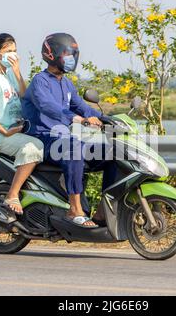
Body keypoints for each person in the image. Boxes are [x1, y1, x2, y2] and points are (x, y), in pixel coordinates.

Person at [22, 33, 114, 228]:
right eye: (67, 55)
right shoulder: (41, 81)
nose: (71, 60)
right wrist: (75, 118)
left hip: (63, 139)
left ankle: (103, 211)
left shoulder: (66, 83)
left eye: (73, 55)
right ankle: (74, 210)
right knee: (74, 148)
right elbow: (47, 106)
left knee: (113, 154)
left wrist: (107, 119)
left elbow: (82, 107)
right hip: (43, 138)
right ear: (52, 55)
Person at [0, 33, 43, 215]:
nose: (13, 55)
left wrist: (17, 71)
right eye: (8, 51)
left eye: (15, 51)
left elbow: (24, 95)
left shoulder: (9, 75)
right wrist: (5, 132)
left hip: (17, 131)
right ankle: (12, 195)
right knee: (33, 147)